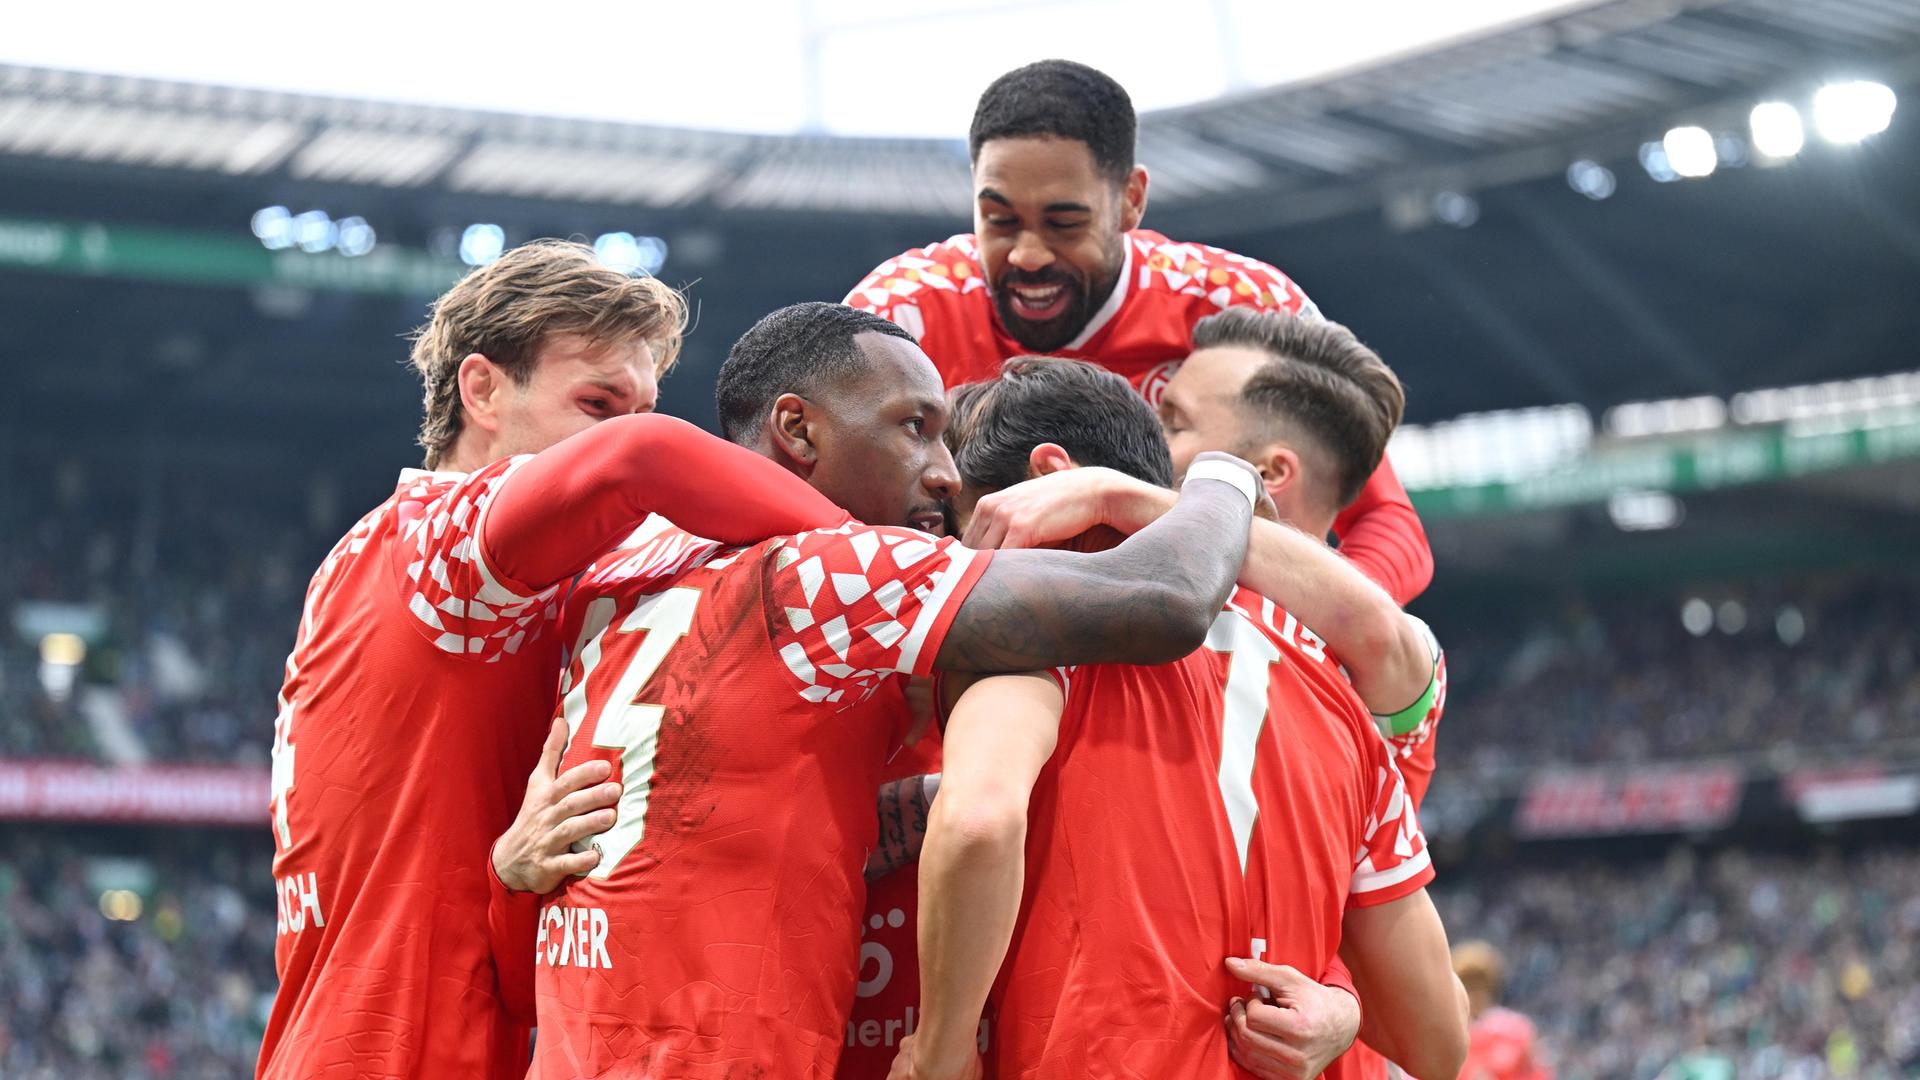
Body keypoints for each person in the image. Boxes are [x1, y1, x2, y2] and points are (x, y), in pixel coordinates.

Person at [837, 66, 1433, 1076]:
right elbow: (830, 538)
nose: (1025, 255)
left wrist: (1277, 648)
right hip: (978, 684)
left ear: (1133, 201)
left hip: (1186, 668)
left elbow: (1384, 531)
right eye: (997, 218)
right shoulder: (896, 319)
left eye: (1064, 221)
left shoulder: (1237, 311)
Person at [526, 303, 1265, 1079]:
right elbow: (1172, 597)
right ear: (798, 429)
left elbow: (720, 792)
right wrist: (1220, 476)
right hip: (721, 1052)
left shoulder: (622, 567)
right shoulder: (844, 569)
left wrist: (508, 861)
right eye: (915, 426)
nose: (946, 475)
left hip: (577, 1036)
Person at [259, 242, 851, 1080]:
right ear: (483, 390)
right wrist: (895, 562)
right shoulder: (438, 549)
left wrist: (509, 876)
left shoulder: (389, 568)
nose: (627, 426)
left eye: (643, 403)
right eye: (598, 403)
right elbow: (642, 464)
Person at [892, 355, 1458, 1080]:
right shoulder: (1346, 695)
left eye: (960, 524)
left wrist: (941, 1055)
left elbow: (979, 822)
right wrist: (1342, 1009)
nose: (949, 557)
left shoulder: (1032, 627)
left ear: (1047, 480)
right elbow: (1438, 1041)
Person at [1456, 942, 1553, 1080]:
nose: (1476, 995)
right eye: (1470, 987)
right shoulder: (1453, 1035)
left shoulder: (1516, 1029)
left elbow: (1537, 1072)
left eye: (1481, 986)